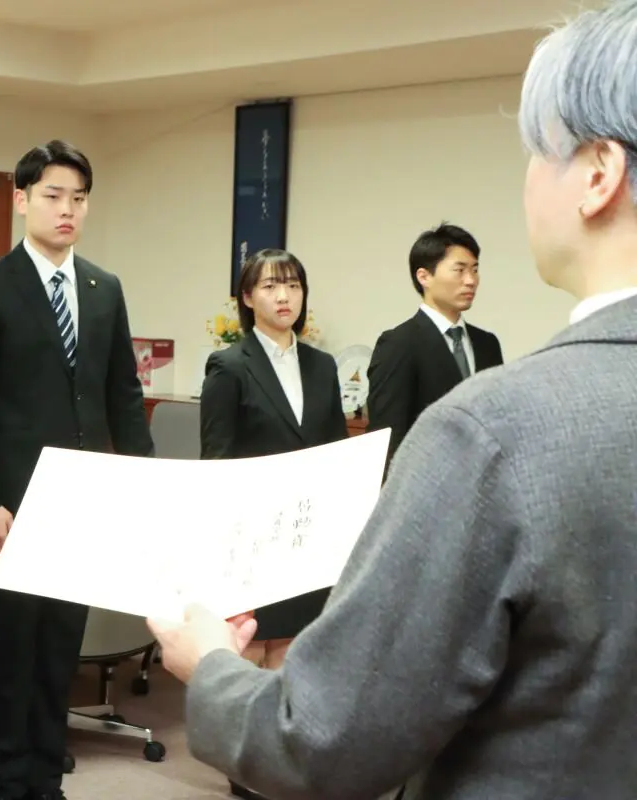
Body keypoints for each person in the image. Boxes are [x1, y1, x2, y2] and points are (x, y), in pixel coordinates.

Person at [147, 2, 637, 797]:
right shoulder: (255, 365)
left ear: (596, 174)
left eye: (535, 151)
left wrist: (208, 668)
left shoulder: (489, 431)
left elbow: (325, 736)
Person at [0, 140, 153, 800]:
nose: (68, 210)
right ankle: (6, 774)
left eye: (79, 198)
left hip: (82, 499)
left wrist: (144, 483)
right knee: (13, 646)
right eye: (53, 196)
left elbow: (123, 395)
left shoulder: (103, 288)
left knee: (62, 644)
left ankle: (44, 772)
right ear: (21, 200)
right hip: (13, 501)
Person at [198, 249, 347, 800]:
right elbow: (216, 459)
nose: (284, 296)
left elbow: (335, 448)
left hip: (308, 531)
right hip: (254, 532)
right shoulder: (229, 366)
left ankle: (283, 764)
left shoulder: (323, 366)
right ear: (247, 297)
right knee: (253, 651)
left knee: (296, 651)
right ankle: (246, 772)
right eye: (269, 286)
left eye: (293, 286)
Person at [366, 223, 503, 468]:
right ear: (424, 277)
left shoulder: (487, 343)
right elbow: (388, 436)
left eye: (474, 270)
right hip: (426, 479)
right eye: (459, 270)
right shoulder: (399, 344)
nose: (471, 280)